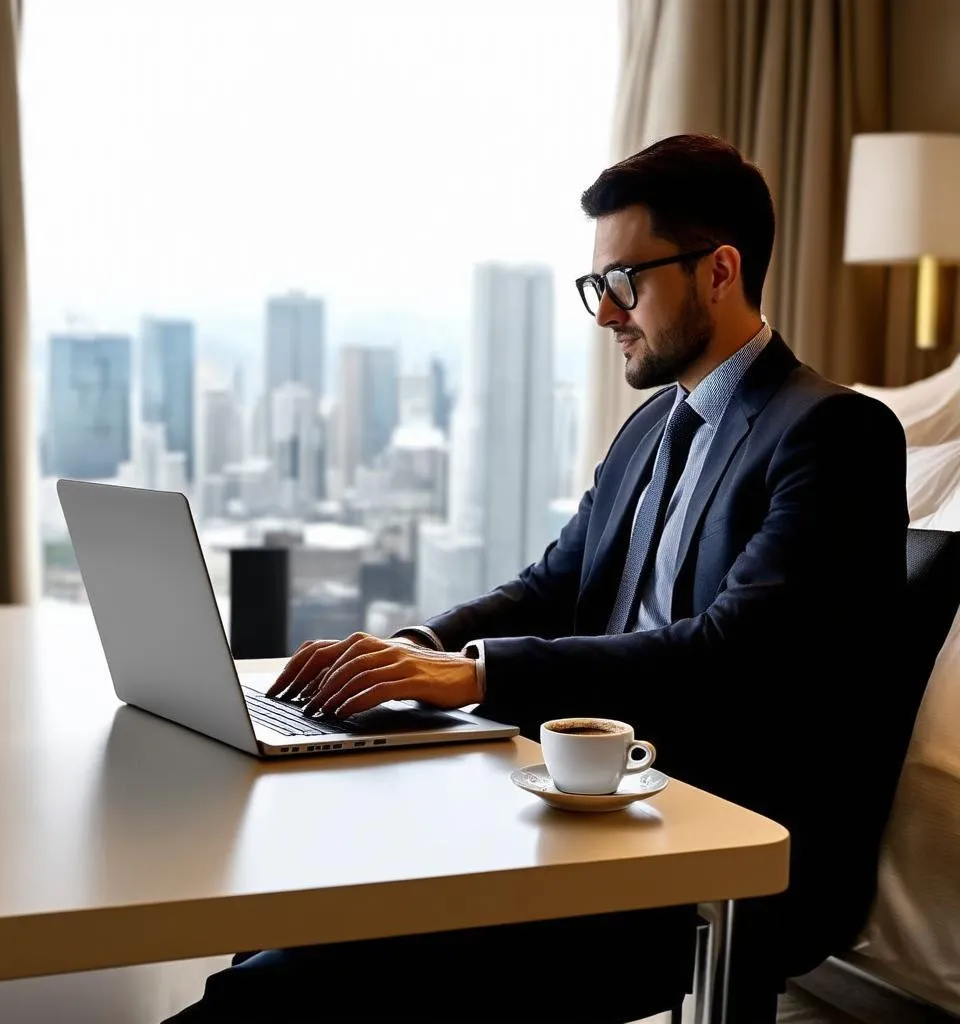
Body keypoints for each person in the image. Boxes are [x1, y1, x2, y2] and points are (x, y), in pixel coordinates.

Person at [165, 134, 909, 1024]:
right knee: (299, 897)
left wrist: (482, 675)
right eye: (597, 286)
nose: (605, 315)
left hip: (706, 841)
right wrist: (415, 649)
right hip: (579, 805)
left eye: (625, 283)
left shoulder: (832, 433)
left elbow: (733, 652)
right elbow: (550, 584)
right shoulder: (647, 431)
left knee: (301, 981)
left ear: (719, 271)